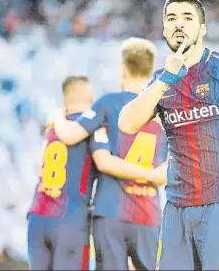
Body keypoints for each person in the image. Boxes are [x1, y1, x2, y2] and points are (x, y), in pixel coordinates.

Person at [118, 0, 219, 270]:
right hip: (178, 207)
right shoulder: (160, 80)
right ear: (164, 28)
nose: (178, 24)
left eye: (187, 18)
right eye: (171, 19)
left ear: (202, 28)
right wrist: (167, 78)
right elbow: (127, 123)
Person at [53, 38, 168, 270]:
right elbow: (167, 171)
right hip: (148, 213)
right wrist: (151, 174)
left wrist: (57, 114)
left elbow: (70, 136)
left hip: (110, 210)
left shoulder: (107, 104)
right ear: (151, 70)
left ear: (123, 70)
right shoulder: (164, 112)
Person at [27, 76, 164, 270]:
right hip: (69, 220)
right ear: (92, 100)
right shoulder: (92, 128)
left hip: (38, 215)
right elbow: (103, 161)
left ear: (64, 101)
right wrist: (152, 174)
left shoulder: (53, 127)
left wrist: (58, 114)